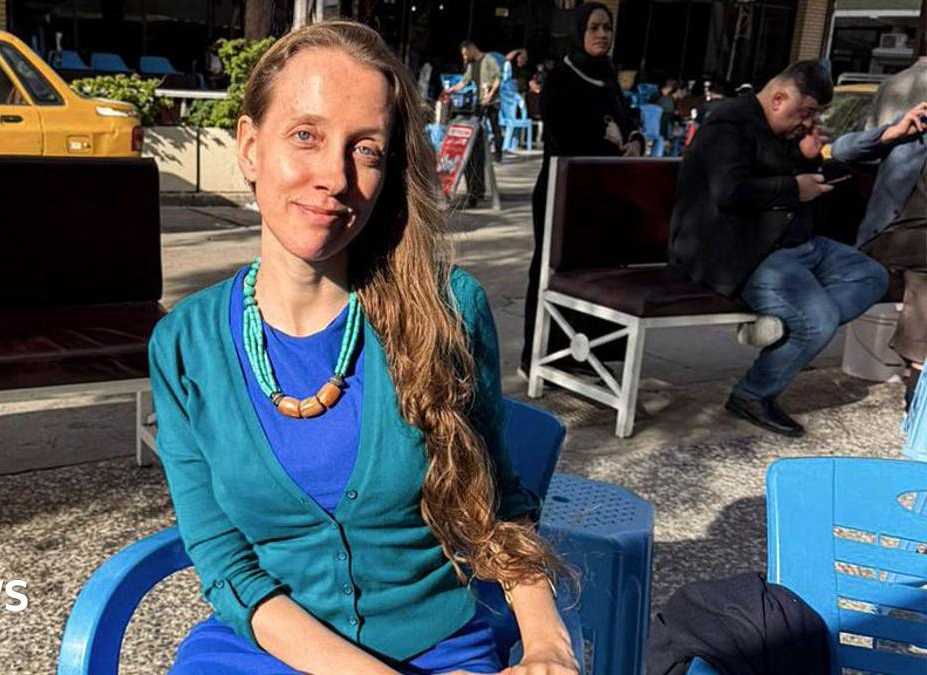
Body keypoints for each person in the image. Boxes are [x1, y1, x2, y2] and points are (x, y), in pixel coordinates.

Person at [149, 21, 577, 674]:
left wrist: (548, 644)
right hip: (264, 646)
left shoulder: (447, 310)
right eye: (305, 136)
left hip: (440, 648)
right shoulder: (183, 348)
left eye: (366, 150)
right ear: (250, 145)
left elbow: (500, 506)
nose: (334, 176)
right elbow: (223, 560)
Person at [669, 61, 889, 437]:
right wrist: (793, 187)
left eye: (814, 116)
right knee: (816, 321)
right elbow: (729, 191)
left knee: (870, 275)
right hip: (744, 253)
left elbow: (814, 192)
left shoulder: (786, 134)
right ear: (778, 98)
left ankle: (790, 325)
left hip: (797, 245)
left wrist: (808, 157)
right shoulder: (730, 123)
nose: (807, 123)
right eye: (804, 113)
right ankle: (753, 393)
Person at [520, 2, 644, 377]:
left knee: (594, 277)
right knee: (553, 273)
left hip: (604, 198)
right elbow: (565, 138)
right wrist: (610, 147)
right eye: (594, 28)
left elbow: (627, 121)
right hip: (565, 195)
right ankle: (537, 355)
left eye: (607, 27)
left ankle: (579, 353)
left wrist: (635, 141)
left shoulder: (606, 77)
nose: (602, 35)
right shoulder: (562, 78)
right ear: (579, 32)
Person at [832, 73, 927, 411]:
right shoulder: (913, 133)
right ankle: (918, 392)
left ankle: (918, 386)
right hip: (892, 235)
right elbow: (843, 150)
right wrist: (892, 132)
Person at [446, 39, 504, 205]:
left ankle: (498, 152)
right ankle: (475, 188)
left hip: (491, 103)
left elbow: (498, 78)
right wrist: (451, 90)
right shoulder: (472, 65)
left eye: (465, 53)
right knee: (474, 139)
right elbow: (464, 81)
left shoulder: (489, 60)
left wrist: (490, 95)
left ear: (471, 49)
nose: (465, 57)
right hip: (478, 104)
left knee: (494, 127)